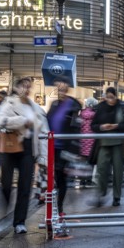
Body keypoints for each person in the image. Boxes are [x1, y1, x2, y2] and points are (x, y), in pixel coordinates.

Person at [0, 77, 48, 234]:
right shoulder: (9, 102)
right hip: (10, 146)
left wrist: (43, 156)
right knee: (6, 184)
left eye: (29, 87)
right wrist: (22, 121)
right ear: (16, 88)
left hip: (29, 148)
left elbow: (43, 131)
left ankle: (19, 221)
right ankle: (6, 208)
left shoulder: (35, 107)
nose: (26, 89)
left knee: (25, 186)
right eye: (23, 86)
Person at [90, 88, 124, 206]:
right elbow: (93, 125)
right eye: (108, 97)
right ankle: (101, 193)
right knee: (101, 169)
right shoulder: (100, 107)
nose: (110, 100)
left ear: (116, 97)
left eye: (112, 97)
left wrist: (117, 126)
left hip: (119, 143)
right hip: (103, 143)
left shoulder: (123, 106)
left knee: (118, 171)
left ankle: (117, 196)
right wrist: (102, 127)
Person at [46, 80, 82, 216]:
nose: (60, 92)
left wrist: (73, 151)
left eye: (63, 89)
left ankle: (59, 207)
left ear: (67, 90)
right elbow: (47, 121)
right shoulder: (54, 104)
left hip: (65, 148)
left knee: (61, 177)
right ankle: (54, 205)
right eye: (58, 89)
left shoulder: (73, 106)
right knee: (54, 177)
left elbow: (76, 129)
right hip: (52, 146)